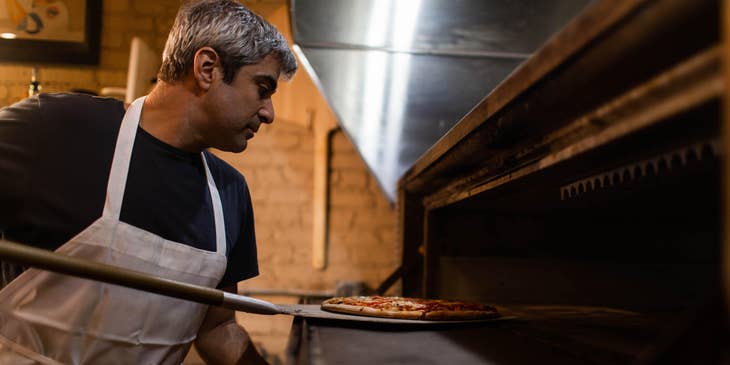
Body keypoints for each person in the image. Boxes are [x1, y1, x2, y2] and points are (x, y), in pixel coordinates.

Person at [0, 0, 297, 363]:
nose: (269, 113)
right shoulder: (56, 130)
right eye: (262, 88)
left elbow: (217, 329)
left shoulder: (229, 194)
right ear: (207, 69)